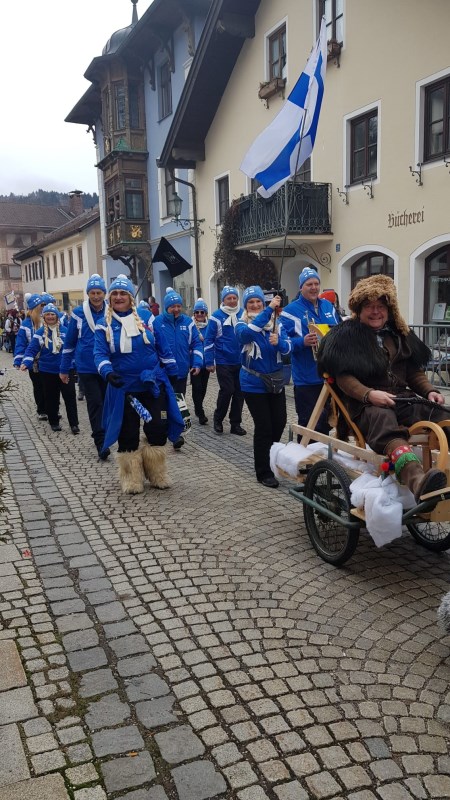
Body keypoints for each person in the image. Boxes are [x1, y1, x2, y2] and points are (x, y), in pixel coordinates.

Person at [317, 274, 448, 502]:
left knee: (441, 413)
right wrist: (369, 395)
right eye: (369, 306)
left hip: (402, 397)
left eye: (380, 306)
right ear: (359, 308)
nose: (375, 311)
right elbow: (343, 378)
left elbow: (412, 372)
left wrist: (429, 391)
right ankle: (417, 480)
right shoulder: (346, 335)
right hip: (366, 403)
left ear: (389, 309)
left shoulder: (399, 333)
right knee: (384, 421)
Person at [94, 275, 184, 494]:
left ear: (130, 297)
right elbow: (99, 353)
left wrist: (172, 372)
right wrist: (107, 372)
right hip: (124, 387)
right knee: (128, 432)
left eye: (122, 293)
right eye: (114, 294)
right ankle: (131, 477)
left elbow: (163, 346)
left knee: (157, 428)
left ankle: (156, 473)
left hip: (152, 383)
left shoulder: (146, 317)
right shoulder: (103, 323)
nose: (118, 297)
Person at [236, 286, 291, 488]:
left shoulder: (277, 323)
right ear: (246, 305)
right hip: (253, 384)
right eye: (251, 302)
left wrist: (280, 344)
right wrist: (269, 309)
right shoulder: (241, 324)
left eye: (258, 301)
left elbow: (288, 348)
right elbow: (248, 335)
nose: (256, 305)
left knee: (280, 422)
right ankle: (263, 471)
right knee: (264, 427)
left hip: (276, 380)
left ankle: (271, 457)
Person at [280, 266, 339, 434]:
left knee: (327, 423)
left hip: (329, 376)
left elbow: (340, 329)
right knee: (309, 425)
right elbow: (283, 344)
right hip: (306, 379)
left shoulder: (327, 306)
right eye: (309, 284)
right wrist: (302, 342)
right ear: (301, 287)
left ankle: (322, 459)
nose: (314, 288)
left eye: (316, 283)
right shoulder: (290, 311)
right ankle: (307, 459)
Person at [60, 274, 110, 460]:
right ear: (88, 293)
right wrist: (64, 369)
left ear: (104, 293)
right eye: (92, 293)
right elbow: (70, 343)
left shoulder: (110, 311)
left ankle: (107, 434)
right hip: (87, 368)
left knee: (107, 403)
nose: (96, 296)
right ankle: (100, 442)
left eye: (99, 293)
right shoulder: (79, 313)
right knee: (95, 403)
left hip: (106, 366)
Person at [152, 288, 203, 449]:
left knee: (178, 402)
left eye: (178, 306)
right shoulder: (156, 323)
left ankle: (176, 434)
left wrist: (196, 363)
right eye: (172, 306)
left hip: (181, 373)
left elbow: (196, 343)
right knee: (163, 404)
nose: (176, 309)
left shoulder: (188, 322)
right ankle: (163, 430)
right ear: (166, 307)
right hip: (162, 374)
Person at [21, 303, 79, 434]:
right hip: (47, 371)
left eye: (53, 314)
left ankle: (74, 424)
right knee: (51, 397)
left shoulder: (66, 331)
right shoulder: (40, 333)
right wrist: (26, 362)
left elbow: (73, 349)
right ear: (44, 317)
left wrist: (76, 364)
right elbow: (31, 349)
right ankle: (54, 422)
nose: (50, 316)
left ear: (57, 316)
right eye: (48, 314)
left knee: (69, 396)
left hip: (66, 369)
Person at [203, 286, 246, 436]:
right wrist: (209, 361)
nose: (232, 301)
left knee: (240, 393)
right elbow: (209, 339)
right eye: (229, 298)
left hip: (241, 360)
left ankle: (235, 424)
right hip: (223, 361)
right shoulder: (216, 316)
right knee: (227, 390)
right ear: (223, 300)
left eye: (235, 298)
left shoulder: (243, 314)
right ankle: (218, 419)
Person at [13, 293, 47, 419]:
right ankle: (42, 409)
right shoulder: (26, 325)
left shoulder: (47, 320)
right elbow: (20, 344)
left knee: (49, 385)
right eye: (41, 307)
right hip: (33, 361)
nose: (43, 309)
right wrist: (19, 360)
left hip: (47, 360)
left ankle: (52, 408)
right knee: (38, 386)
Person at [191, 298, 210, 425]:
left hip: (206, 363)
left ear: (206, 314)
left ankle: (199, 407)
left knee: (203, 388)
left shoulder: (210, 327)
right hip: (194, 363)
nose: (199, 315)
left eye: (202, 312)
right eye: (197, 312)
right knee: (196, 388)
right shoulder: (191, 326)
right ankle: (200, 412)